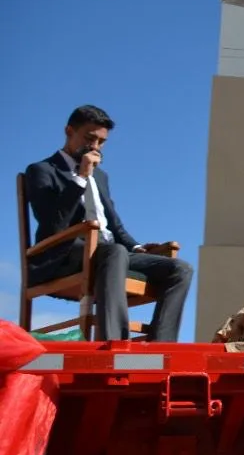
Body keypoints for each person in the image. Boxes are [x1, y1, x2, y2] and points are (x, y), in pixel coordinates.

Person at [24, 106, 193, 342]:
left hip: (111, 252)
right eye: (89, 138)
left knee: (179, 269)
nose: (95, 147)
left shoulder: (101, 176)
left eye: (101, 142)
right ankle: (115, 343)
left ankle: (161, 346)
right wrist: (80, 177)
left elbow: (113, 225)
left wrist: (137, 247)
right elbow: (52, 225)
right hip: (62, 254)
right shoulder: (42, 170)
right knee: (114, 252)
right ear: (69, 131)